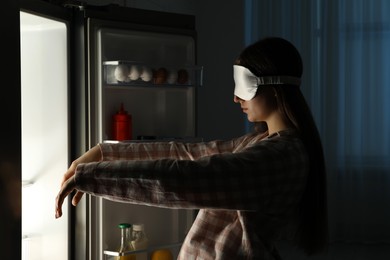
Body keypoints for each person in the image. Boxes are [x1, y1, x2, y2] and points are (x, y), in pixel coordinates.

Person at [55, 37, 328, 259]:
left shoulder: (280, 158)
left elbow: (185, 177)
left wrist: (93, 176)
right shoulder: (258, 142)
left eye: (243, 87)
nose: (235, 98)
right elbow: (187, 153)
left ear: (274, 87)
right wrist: (104, 153)